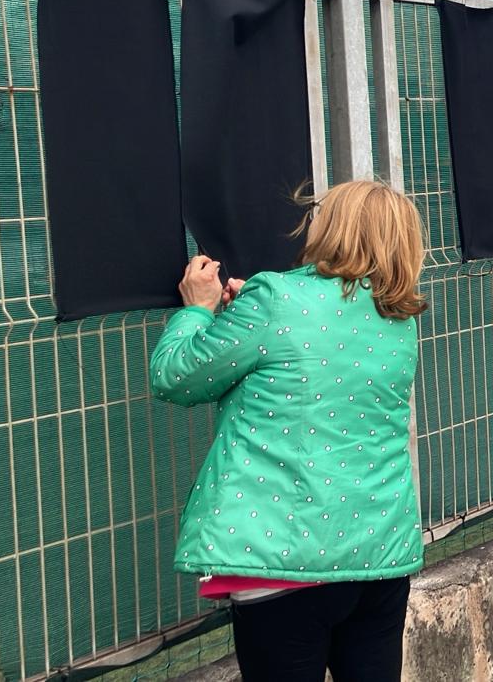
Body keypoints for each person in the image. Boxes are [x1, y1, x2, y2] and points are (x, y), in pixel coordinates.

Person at [150, 180, 428, 681]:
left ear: (333, 229)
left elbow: (175, 377)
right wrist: (259, 299)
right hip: (379, 556)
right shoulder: (398, 315)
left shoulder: (276, 299)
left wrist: (196, 309)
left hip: (282, 560)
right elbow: (321, 324)